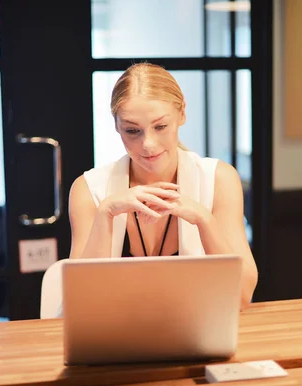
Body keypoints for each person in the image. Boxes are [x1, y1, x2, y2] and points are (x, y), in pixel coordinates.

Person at [68, 63, 258, 308]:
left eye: (160, 127)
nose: (148, 143)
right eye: (132, 130)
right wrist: (106, 212)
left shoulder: (218, 179)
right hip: (113, 340)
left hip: (198, 335)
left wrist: (204, 219)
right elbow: (81, 302)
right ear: (116, 126)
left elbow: (242, 296)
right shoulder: (88, 189)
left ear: (182, 114)